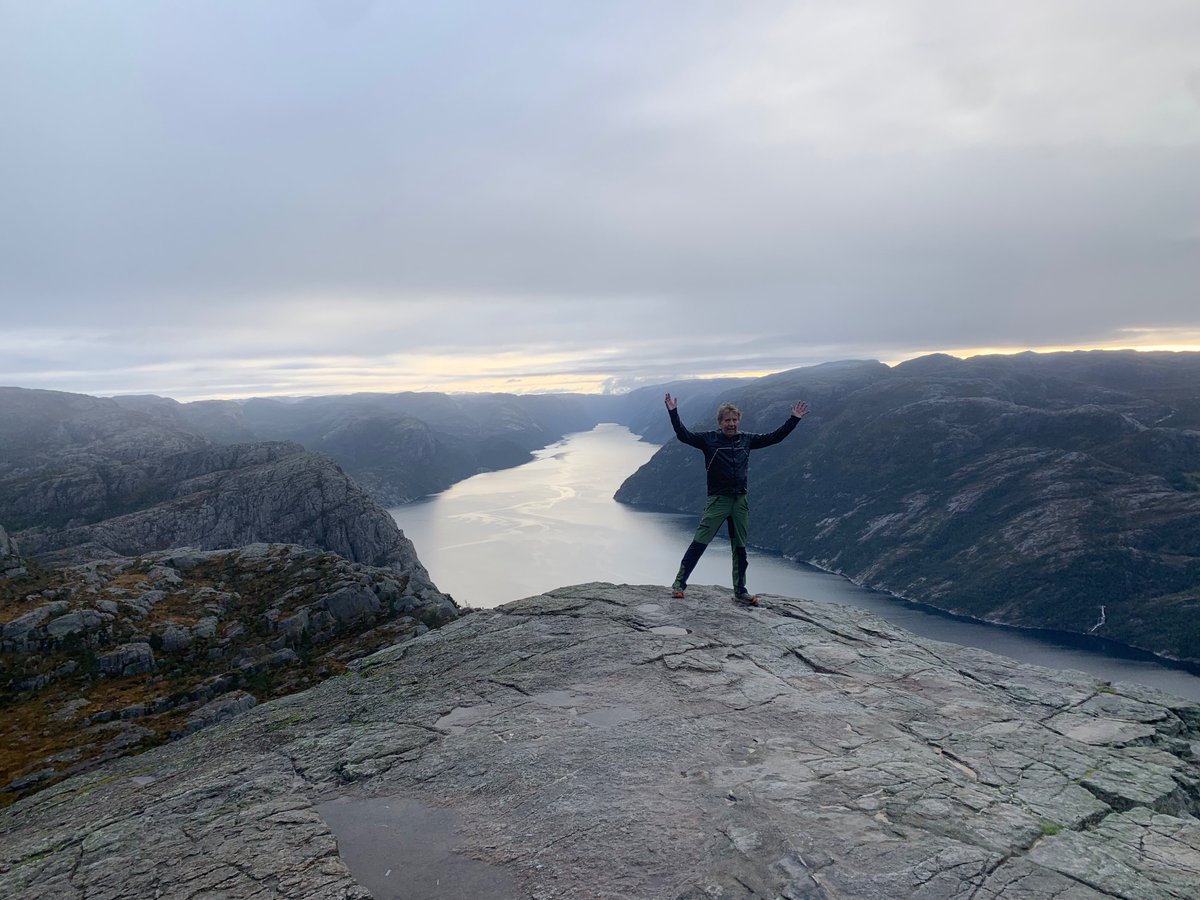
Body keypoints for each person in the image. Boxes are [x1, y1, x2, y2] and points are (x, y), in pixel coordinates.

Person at [665, 393, 809, 606]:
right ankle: (679, 584)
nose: (731, 424)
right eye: (727, 420)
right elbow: (683, 435)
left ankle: (740, 591)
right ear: (720, 422)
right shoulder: (708, 440)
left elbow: (775, 437)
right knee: (699, 543)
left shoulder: (746, 440)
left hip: (739, 501)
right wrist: (673, 413)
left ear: (738, 420)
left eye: (734, 420)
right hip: (718, 501)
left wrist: (793, 419)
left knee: (740, 549)